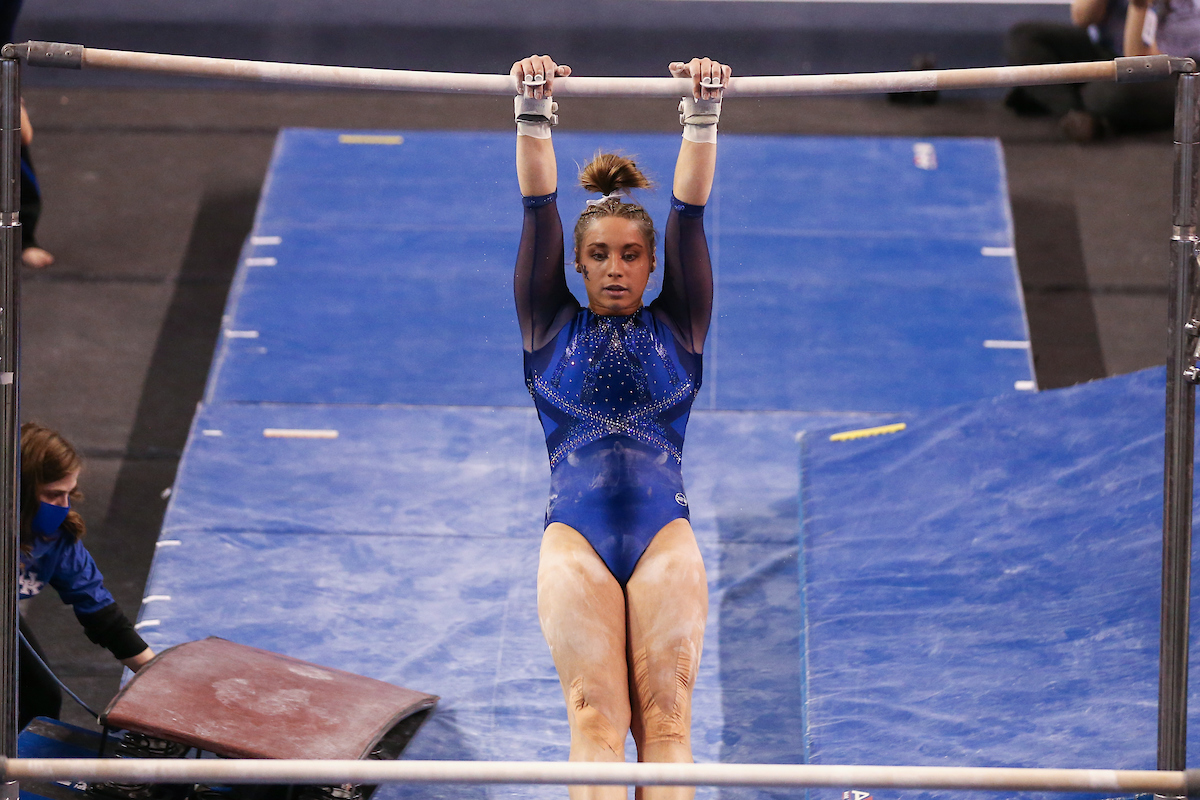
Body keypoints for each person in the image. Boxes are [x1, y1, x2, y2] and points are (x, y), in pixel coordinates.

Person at [511, 53, 727, 800]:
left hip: (666, 539)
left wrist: (701, 113)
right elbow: (537, 206)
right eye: (598, 255)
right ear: (574, 265)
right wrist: (533, 108)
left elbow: (690, 213)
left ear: (652, 264)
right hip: (575, 543)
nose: (614, 269)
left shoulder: (683, 326)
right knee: (596, 721)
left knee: (667, 723)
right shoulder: (546, 326)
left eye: (631, 256)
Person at [18, 422, 152, 728]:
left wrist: (157, 675)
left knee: (41, 698)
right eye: (52, 495)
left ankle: (13, 772)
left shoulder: (55, 539)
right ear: (19, 490)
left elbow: (102, 614)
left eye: (69, 494)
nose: (63, 507)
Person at [1005, 0, 1175, 140]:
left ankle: (1059, 97)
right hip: (1107, 49)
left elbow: (1140, 62)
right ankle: (1076, 114)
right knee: (1024, 37)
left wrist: (1139, 7)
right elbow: (1082, 18)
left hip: (1169, 66)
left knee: (1106, 95)